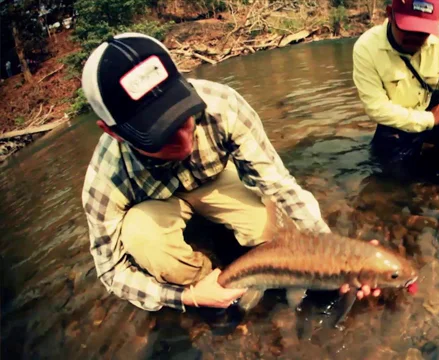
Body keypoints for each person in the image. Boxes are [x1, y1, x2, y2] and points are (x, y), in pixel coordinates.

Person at [80, 32, 380, 313]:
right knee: (146, 242)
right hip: (154, 209)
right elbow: (111, 272)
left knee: (275, 231)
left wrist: (334, 253)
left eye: (183, 116)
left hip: (215, 181)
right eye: (159, 135)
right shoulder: (105, 176)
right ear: (113, 132)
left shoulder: (222, 105)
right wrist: (187, 297)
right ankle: (211, 282)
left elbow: (279, 185)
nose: (184, 140)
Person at [352, 0, 439, 183]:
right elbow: (376, 108)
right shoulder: (366, 48)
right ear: (390, 13)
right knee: (390, 177)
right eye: (408, 28)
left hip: (436, 114)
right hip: (397, 124)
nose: (415, 37)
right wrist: (429, 119)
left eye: (423, 31)